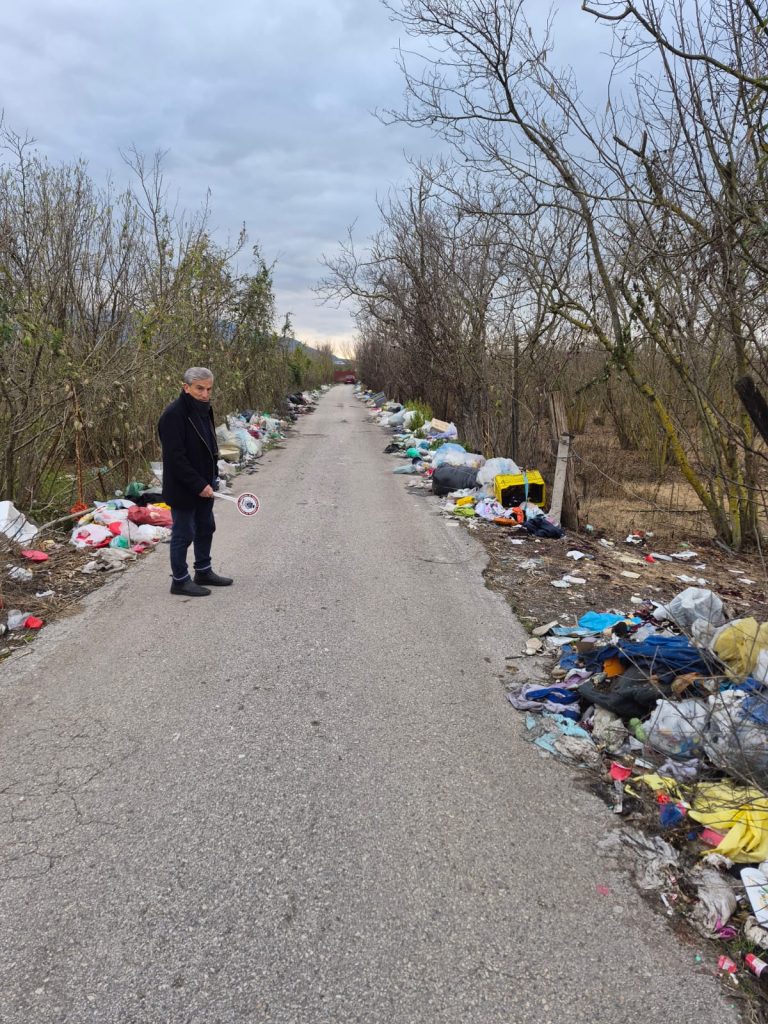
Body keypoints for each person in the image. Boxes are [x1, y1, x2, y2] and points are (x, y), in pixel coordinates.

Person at [158, 367, 233, 596]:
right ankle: (180, 580)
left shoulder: (204, 409)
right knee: (184, 533)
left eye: (209, 389)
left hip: (206, 483)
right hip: (184, 487)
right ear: (186, 387)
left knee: (206, 527)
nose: (205, 394)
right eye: (199, 388)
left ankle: (203, 571)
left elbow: (209, 443)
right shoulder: (173, 415)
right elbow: (175, 458)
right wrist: (197, 484)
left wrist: (212, 476)